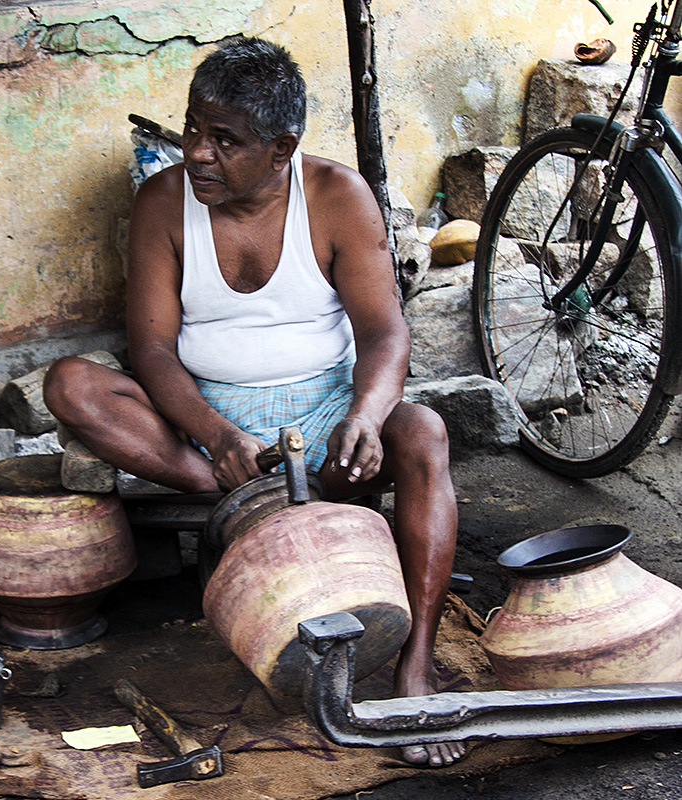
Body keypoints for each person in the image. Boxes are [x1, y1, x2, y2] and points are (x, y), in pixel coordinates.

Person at [43, 37, 464, 768]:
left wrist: (364, 417)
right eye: (192, 130)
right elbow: (152, 352)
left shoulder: (336, 195)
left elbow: (383, 329)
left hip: (328, 436)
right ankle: (242, 497)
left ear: (280, 149)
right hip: (212, 440)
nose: (198, 153)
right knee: (71, 385)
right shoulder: (163, 201)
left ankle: (414, 665)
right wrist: (216, 432)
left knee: (422, 431)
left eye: (224, 140)